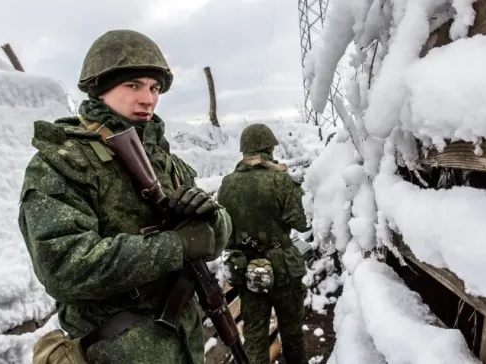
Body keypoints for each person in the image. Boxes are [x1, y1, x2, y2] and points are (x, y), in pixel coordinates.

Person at [18, 29, 231, 364]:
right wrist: (175, 245)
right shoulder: (63, 162)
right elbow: (62, 265)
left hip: (183, 348)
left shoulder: (165, 161)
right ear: (100, 88)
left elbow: (213, 239)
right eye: (133, 85)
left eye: (155, 88)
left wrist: (212, 219)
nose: (148, 98)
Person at [216, 123, 310, 364]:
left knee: (255, 336)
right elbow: (300, 222)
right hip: (283, 269)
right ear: (269, 147)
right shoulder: (280, 179)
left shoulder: (227, 184)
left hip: (248, 272)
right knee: (292, 333)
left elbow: (223, 230)